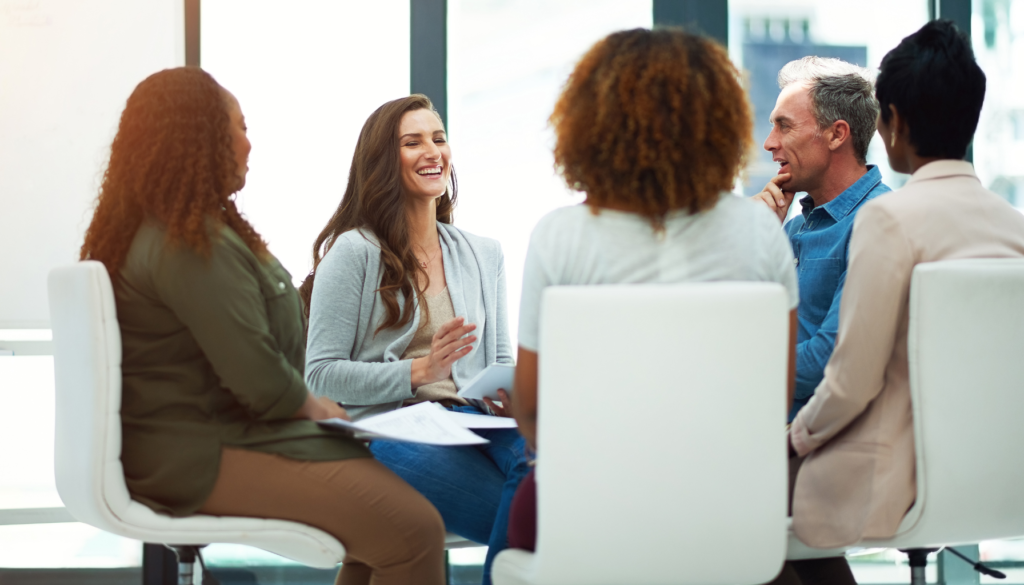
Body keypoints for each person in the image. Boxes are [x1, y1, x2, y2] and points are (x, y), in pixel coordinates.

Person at [79, 67, 446, 585]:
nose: (249, 144)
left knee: (384, 534)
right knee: (414, 533)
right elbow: (259, 379)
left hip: (197, 442)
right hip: (200, 453)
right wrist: (322, 408)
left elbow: (250, 336)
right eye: (241, 127)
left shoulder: (184, 229)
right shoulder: (190, 242)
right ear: (201, 137)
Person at [506, 27, 800, 567]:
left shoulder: (560, 237)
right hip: (728, 512)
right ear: (717, 124)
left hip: (590, 514)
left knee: (517, 506)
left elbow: (530, 411)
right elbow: (771, 405)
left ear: (590, 125)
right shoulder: (761, 234)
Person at [789, 16, 1024, 557]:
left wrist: (795, 438)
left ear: (891, 121)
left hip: (895, 478)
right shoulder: (1015, 229)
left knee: (737, 516)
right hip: (998, 475)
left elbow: (849, 382)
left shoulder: (889, 220)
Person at [302, 95, 529, 585]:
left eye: (439, 138)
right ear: (385, 160)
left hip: (475, 421)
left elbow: (501, 356)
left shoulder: (484, 253)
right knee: (534, 520)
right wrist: (421, 371)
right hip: (391, 428)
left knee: (546, 460)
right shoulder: (354, 252)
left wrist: (509, 393)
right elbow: (319, 374)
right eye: (413, 141)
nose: (433, 151)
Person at [751, 57, 891, 422]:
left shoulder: (880, 221)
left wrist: (732, 357)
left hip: (820, 448)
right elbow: (749, 320)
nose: (769, 143)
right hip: (766, 432)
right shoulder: (794, 226)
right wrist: (755, 239)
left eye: (784, 127)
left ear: (836, 134)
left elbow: (823, 363)